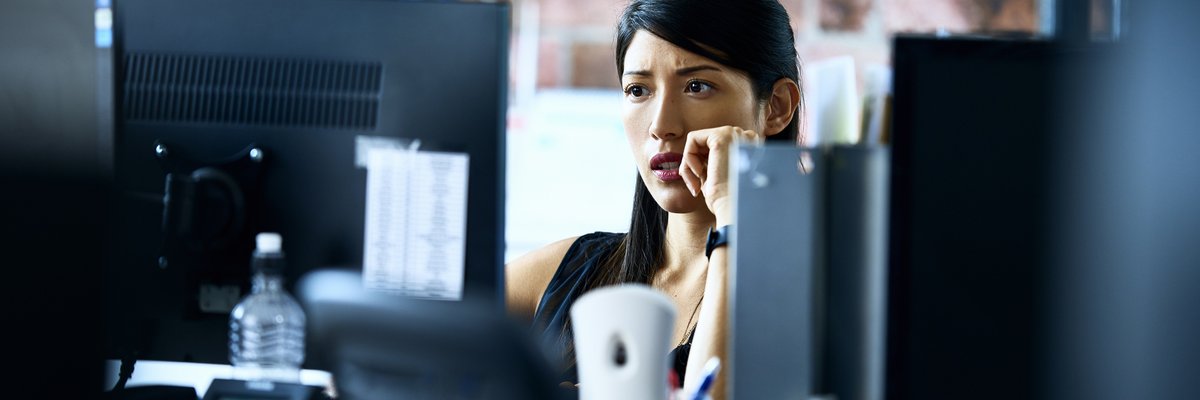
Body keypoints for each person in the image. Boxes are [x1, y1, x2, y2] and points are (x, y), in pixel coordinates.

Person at [505, 0, 802, 397]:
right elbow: (416, 337)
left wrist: (736, 209)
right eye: (638, 90)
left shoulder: (813, 294)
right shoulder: (570, 271)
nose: (661, 126)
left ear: (776, 107)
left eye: (697, 86)